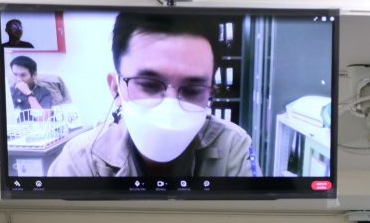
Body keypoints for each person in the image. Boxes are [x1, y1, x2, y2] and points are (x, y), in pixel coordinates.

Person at [48, 12, 259, 178]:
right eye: (149, 85)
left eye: (193, 89)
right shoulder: (80, 161)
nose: (170, 109)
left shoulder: (233, 148)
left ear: (211, 91)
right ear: (116, 88)